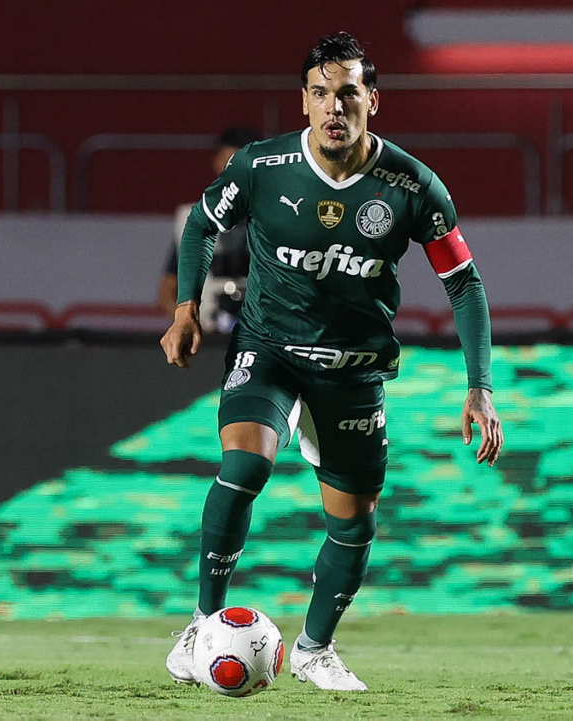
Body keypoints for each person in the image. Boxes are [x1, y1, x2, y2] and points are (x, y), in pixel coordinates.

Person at [160, 32, 503, 692]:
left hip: (353, 369)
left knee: (354, 522)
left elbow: (463, 282)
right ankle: (202, 623)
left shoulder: (413, 186)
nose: (333, 106)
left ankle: (314, 649)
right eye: (320, 93)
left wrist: (479, 387)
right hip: (269, 349)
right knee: (245, 464)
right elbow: (202, 224)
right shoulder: (262, 167)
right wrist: (185, 309)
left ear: (373, 99)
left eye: (348, 93)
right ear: (304, 101)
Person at [157, 126, 260, 332]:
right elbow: (167, 291)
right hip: (207, 335)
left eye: (241, 164)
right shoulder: (195, 222)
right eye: (227, 162)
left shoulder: (278, 219)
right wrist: (188, 325)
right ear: (216, 162)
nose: (233, 172)